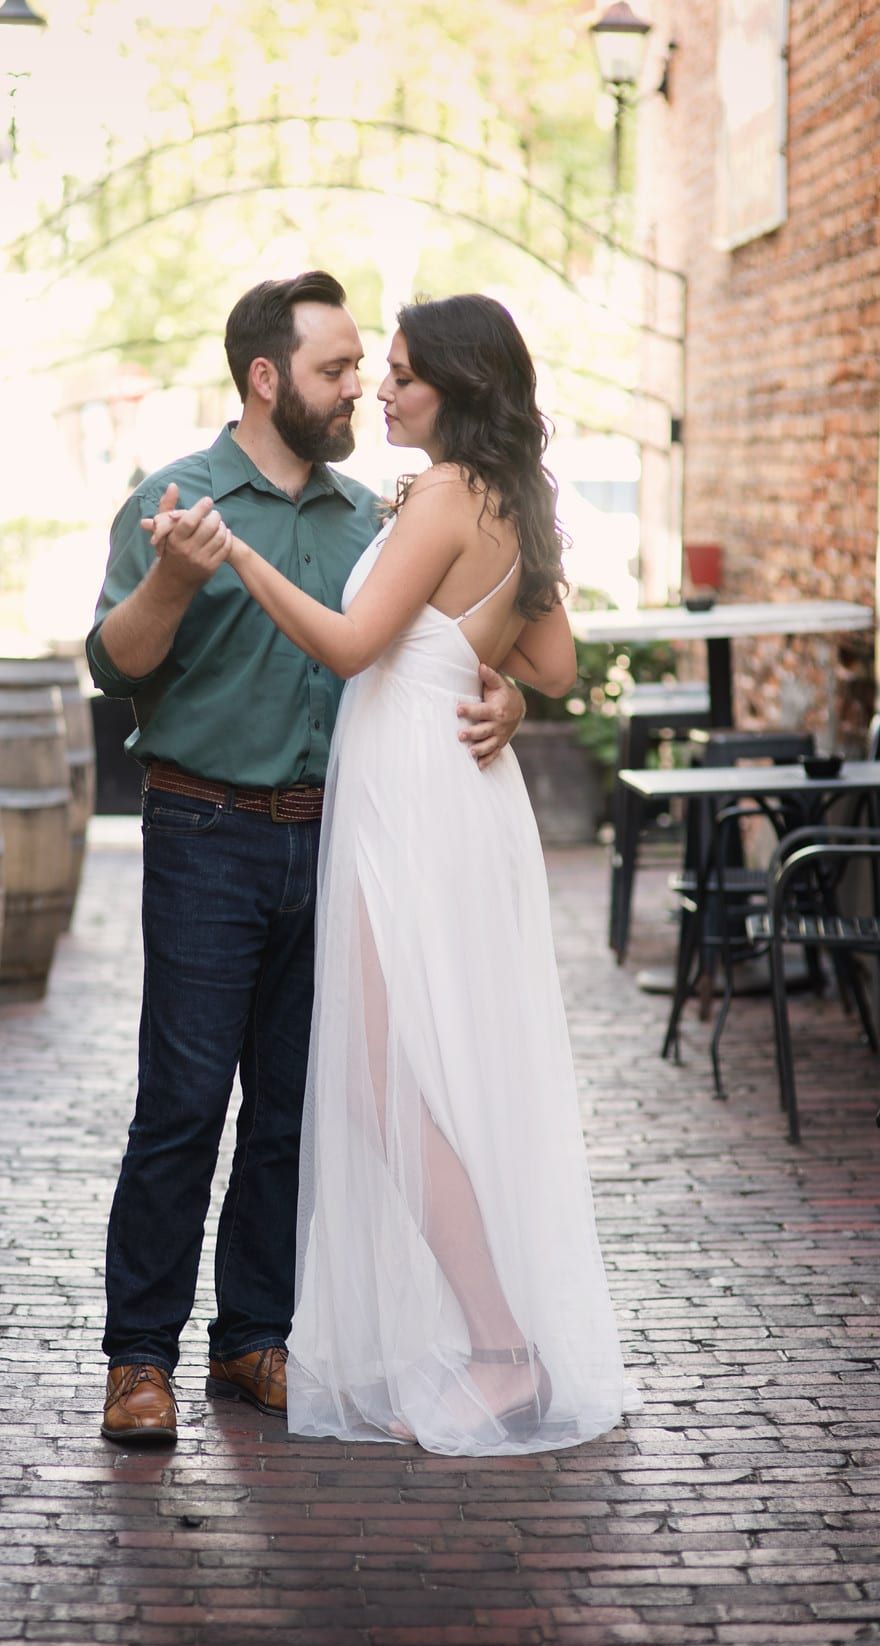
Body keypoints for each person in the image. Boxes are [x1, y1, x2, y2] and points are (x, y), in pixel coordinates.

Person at [153, 293, 634, 1455]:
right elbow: (557, 663)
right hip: (447, 797)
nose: (383, 388)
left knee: (394, 1081)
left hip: (412, 808)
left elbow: (352, 642)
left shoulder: (452, 494)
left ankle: (502, 1348)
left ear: (457, 391)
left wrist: (241, 561)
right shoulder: (492, 496)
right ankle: (496, 1337)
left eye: (405, 373)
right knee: (419, 1072)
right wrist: (499, 681)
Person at [87, 272, 528, 1446]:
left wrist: (514, 696)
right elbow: (114, 665)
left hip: (334, 841)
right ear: (266, 378)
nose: (357, 391)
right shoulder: (174, 497)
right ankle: (140, 1361)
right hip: (204, 834)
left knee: (291, 1109)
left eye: (365, 370)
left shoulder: (364, 517)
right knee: (181, 1105)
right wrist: (179, 577)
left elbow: (456, 631)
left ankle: (251, 1341)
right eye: (337, 371)